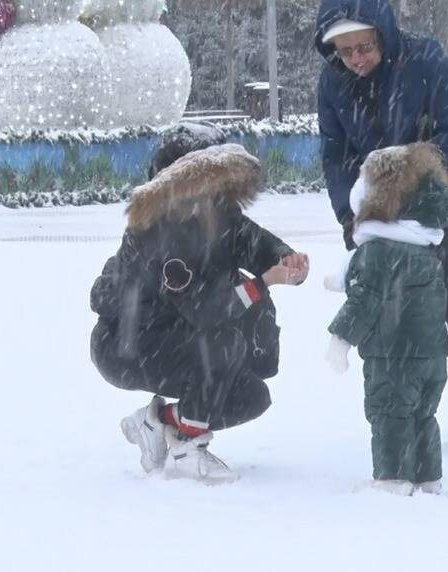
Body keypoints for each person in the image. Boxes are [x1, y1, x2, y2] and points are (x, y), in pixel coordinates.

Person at [314, 0, 448, 453]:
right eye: (344, 50)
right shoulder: (333, 83)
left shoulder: (424, 59)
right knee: (399, 320)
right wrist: (349, 217)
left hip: (446, 211)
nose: (355, 59)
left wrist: (415, 185)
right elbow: (335, 156)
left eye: (364, 46)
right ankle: (414, 418)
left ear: (384, 33)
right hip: (382, 224)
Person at [89, 125, 309, 484]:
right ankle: (187, 448)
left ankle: (160, 423)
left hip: (177, 335)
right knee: (223, 343)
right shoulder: (157, 233)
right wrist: (264, 282)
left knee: (250, 396)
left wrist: (288, 261)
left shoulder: (219, 215)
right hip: (128, 344)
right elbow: (207, 311)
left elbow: (259, 245)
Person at [324, 143, 448, 495]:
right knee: (422, 417)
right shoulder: (423, 246)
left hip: (393, 355)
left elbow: (365, 298)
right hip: (431, 355)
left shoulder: (379, 251)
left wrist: (340, 340)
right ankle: (428, 477)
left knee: (389, 416)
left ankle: (392, 480)